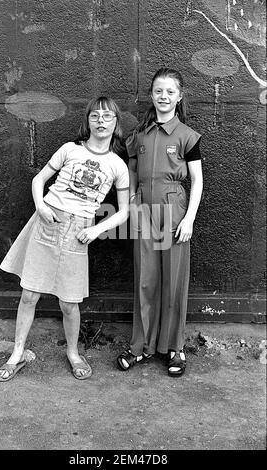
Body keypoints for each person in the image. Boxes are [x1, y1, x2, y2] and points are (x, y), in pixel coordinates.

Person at [0, 96, 129, 381]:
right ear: (88, 121)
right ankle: (17, 354)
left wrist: (95, 230)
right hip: (48, 221)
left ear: (116, 123)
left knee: (69, 302)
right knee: (29, 294)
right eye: (95, 116)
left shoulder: (118, 165)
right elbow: (38, 180)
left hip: (79, 232)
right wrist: (41, 205)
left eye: (107, 117)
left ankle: (73, 353)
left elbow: (125, 212)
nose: (101, 121)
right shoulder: (70, 149)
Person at [117, 68, 203, 377]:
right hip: (144, 210)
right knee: (146, 280)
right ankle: (140, 346)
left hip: (173, 209)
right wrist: (128, 201)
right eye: (158, 91)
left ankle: (174, 348)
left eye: (170, 92)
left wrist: (189, 218)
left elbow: (197, 181)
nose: (163, 97)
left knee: (173, 280)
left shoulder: (187, 137)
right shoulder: (140, 134)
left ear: (179, 96)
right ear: (151, 95)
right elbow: (132, 170)